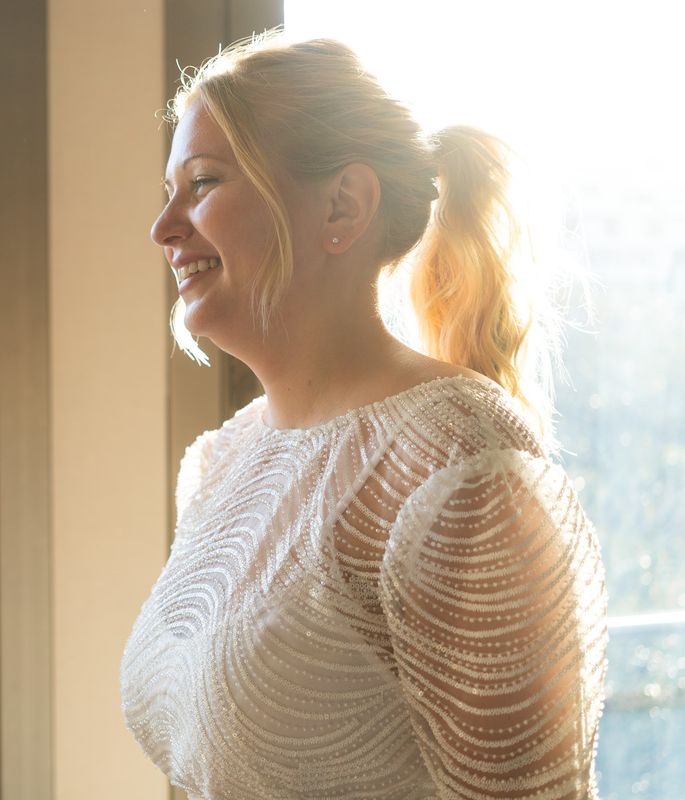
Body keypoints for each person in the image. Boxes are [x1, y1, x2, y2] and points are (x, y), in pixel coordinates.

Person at [120, 34, 608, 800]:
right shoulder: (219, 464)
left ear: (342, 205)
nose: (164, 228)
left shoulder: (458, 466)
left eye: (203, 183)